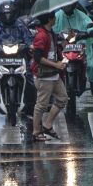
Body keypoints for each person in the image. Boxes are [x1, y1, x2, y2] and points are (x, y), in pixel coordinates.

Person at [0, 0, 34, 106]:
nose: (7, 17)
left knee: (29, 75)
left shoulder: (20, 26)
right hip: (2, 57)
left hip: (19, 57)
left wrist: (30, 45)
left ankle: (30, 99)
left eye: (9, 14)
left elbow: (28, 38)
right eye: (5, 14)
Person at [30, 12, 67, 141]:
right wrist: (55, 65)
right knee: (41, 105)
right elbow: (38, 58)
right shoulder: (41, 35)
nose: (56, 19)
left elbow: (56, 50)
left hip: (54, 75)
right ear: (50, 20)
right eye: (54, 17)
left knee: (62, 98)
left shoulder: (51, 33)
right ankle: (36, 132)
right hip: (44, 76)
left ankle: (47, 125)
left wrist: (68, 40)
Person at [54, 1, 93, 97]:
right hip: (64, 46)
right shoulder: (58, 15)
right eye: (65, 4)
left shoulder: (81, 15)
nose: (67, 6)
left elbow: (90, 25)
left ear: (74, 5)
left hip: (81, 46)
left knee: (90, 66)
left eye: (69, 4)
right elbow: (52, 28)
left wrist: (89, 32)